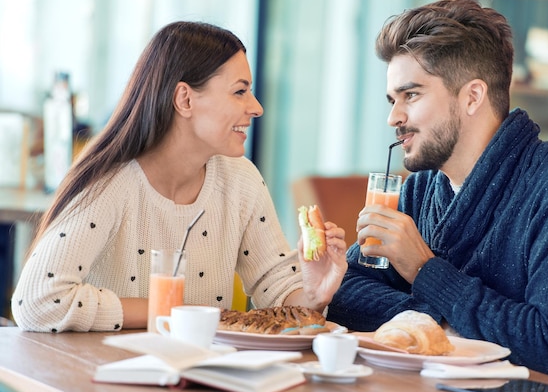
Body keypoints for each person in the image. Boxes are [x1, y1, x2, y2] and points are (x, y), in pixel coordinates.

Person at [327, 0, 548, 392]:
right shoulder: (419, 190)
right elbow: (346, 292)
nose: (393, 118)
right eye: (391, 100)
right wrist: (435, 324)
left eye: (410, 95)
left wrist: (424, 271)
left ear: (472, 97)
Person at [12, 21, 347, 333]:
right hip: (108, 380)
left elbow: (278, 293)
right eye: (240, 91)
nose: (256, 107)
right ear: (185, 99)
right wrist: (170, 310)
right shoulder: (110, 183)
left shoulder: (241, 180)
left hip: (200, 380)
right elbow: (38, 301)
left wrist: (313, 294)